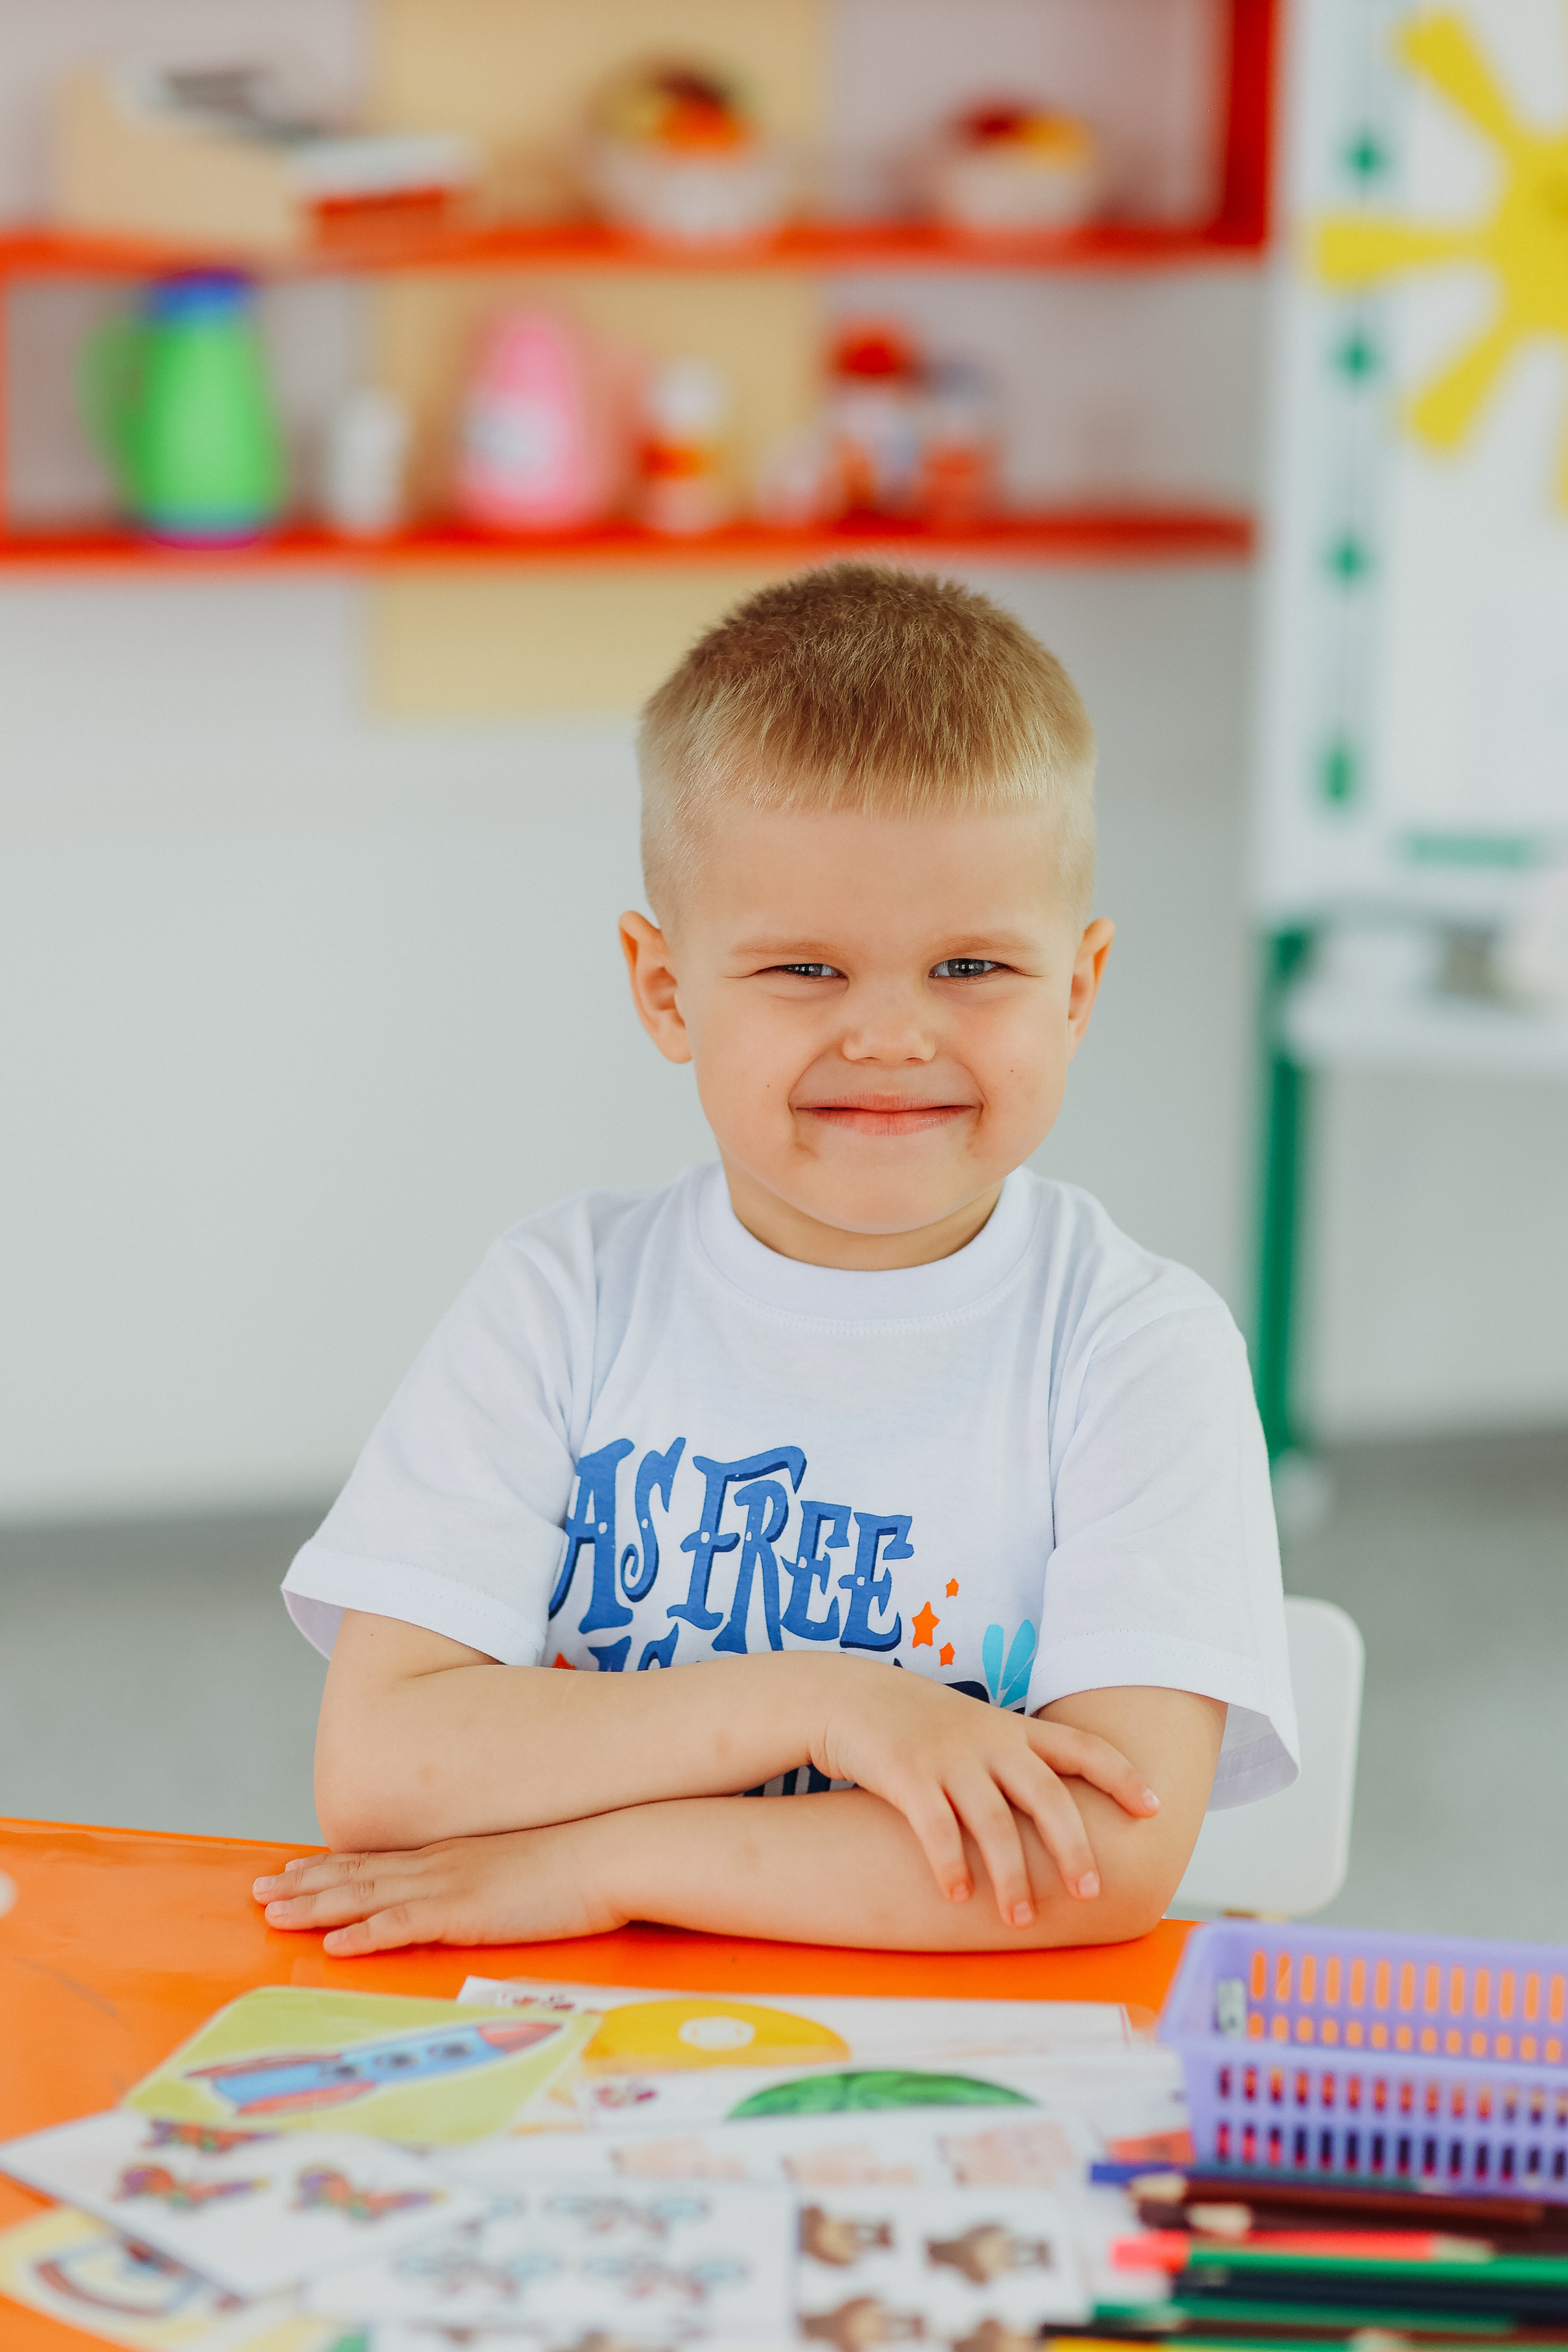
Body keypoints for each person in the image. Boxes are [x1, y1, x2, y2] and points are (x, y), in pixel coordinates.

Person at [258, 565, 1297, 1959]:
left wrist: (608, 1862)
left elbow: (1099, 1858)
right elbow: (381, 1769)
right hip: (578, 2051)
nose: (887, 1036)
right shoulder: (557, 1298)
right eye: (806, 971)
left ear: (1078, 989)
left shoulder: (1137, 1344)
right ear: (665, 989)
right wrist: (825, 1703)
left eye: (971, 967)